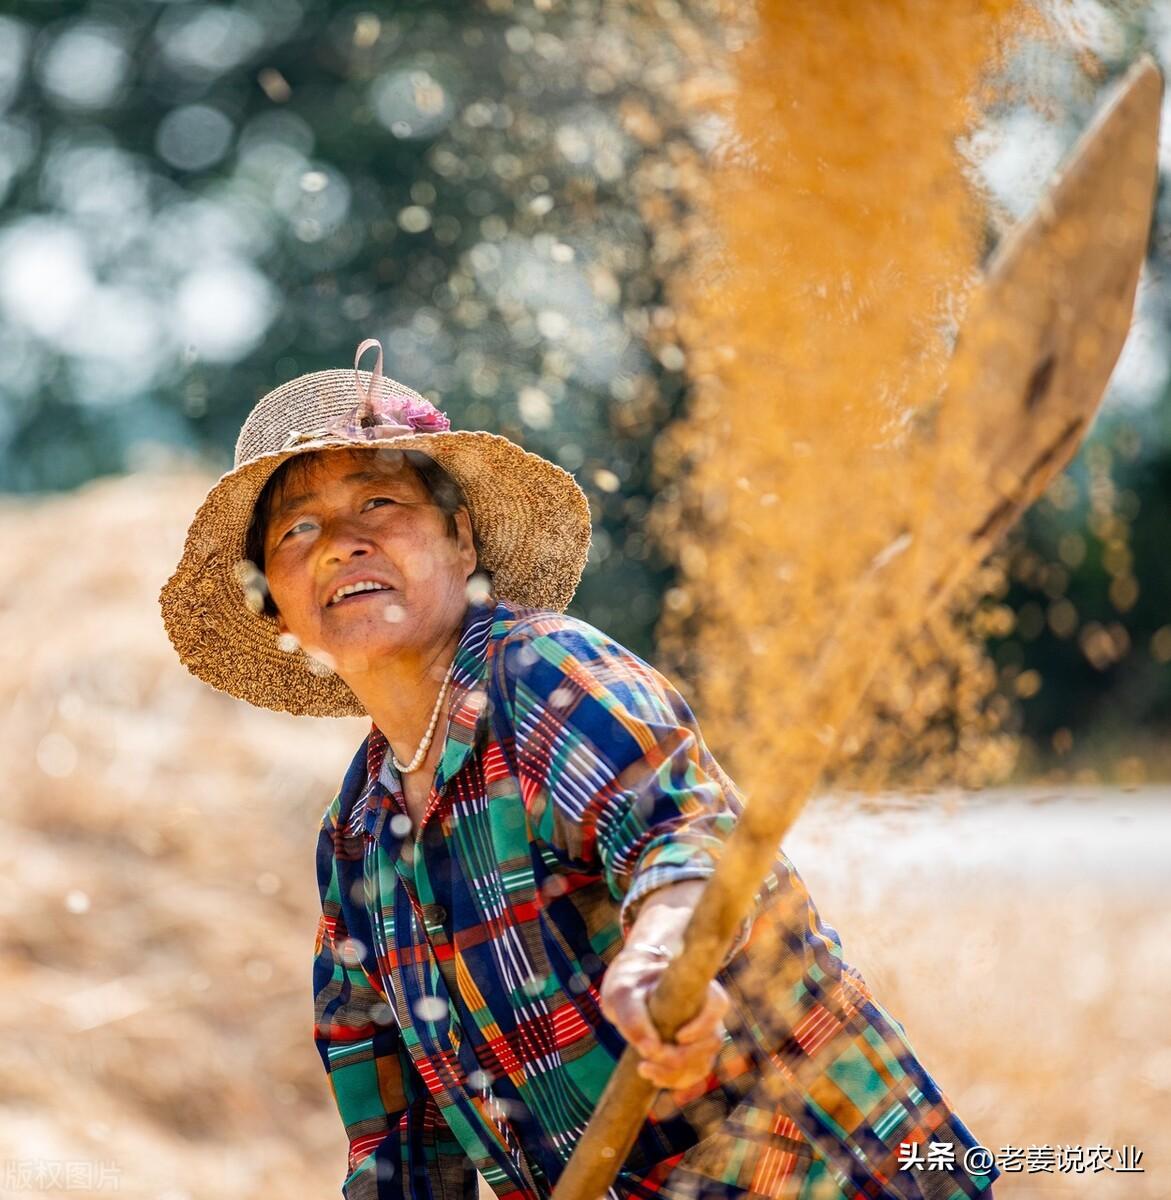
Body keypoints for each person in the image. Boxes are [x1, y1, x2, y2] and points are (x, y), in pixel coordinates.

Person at [161, 339, 999, 1200]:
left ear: (460, 540)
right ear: (278, 608)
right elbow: (396, 1140)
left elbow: (687, 839)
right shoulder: (357, 838)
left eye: (379, 501)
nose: (341, 543)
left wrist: (660, 958)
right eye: (298, 529)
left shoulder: (541, 676)